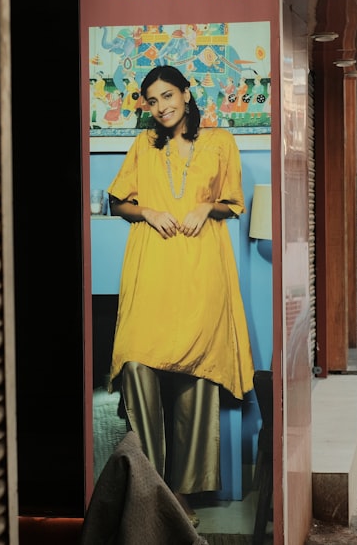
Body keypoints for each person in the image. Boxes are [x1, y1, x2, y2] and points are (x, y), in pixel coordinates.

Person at [106, 65, 255, 525]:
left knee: (196, 378)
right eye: (152, 101)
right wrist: (148, 210)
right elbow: (117, 202)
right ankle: (149, 489)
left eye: (168, 96)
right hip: (151, 268)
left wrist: (203, 207)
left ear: (187, 95)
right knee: (135, 363)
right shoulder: (143, 146)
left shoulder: (220, 143)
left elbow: (232, 202)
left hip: (199, 270)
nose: (161, 106)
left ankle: (178, 495)